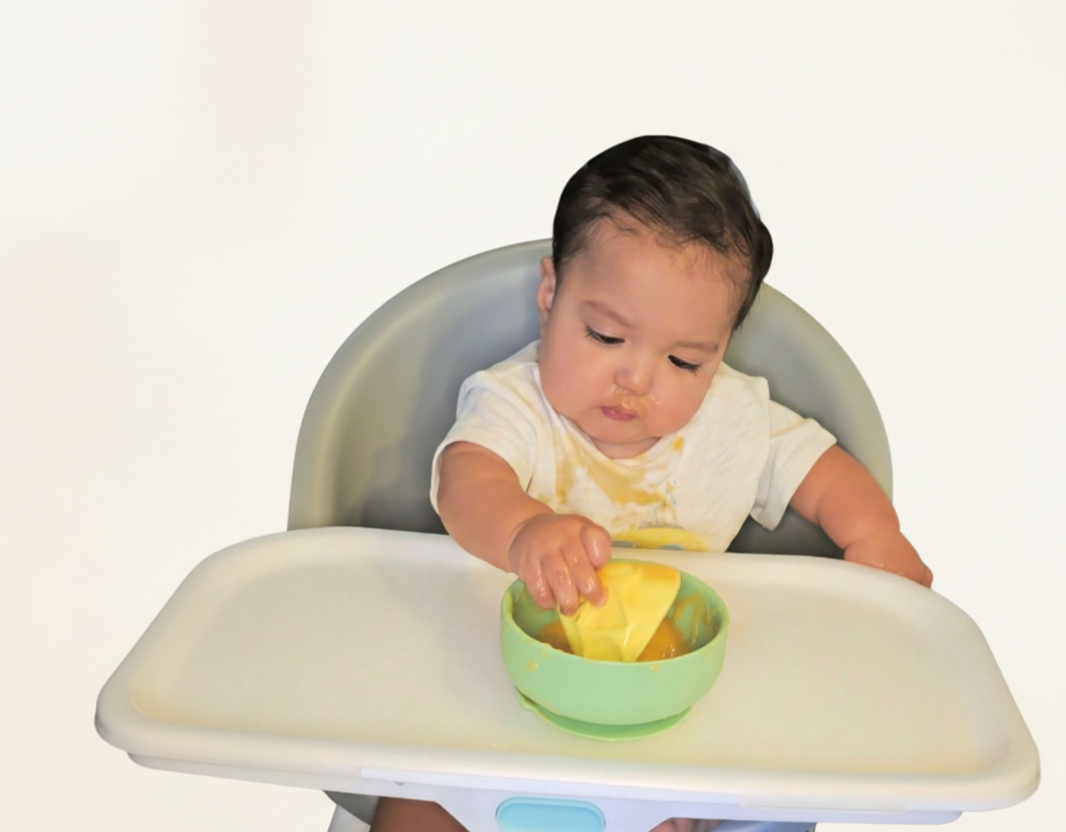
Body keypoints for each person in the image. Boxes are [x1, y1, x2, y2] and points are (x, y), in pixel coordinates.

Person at [369, 135, 932, 832]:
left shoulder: (734, 421)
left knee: (713, 808)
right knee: (414, 797)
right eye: (605, 337)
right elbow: (466, 480)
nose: (636, 378)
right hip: (496, 701)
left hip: (661, 726)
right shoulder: (516, 403)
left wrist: (876, 537)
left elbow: (825, 475)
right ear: (550, 295)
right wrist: (524, 531)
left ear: (720, 351)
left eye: (683, 360)